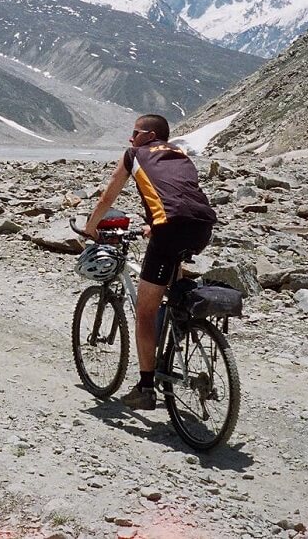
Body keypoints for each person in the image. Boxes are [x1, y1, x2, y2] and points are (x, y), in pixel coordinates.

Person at [84, 113, 217, 410]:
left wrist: (91, 227)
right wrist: (152, 225)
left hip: (170, 230)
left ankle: (145, 388)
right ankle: (178, 332)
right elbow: (178, 194)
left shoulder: (135, 154)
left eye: (135, 132)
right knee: (172, 286)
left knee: (145, 312)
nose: (130, 138)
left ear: (149, 135)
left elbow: (107, 198)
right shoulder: (179, 154)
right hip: (202, 227)